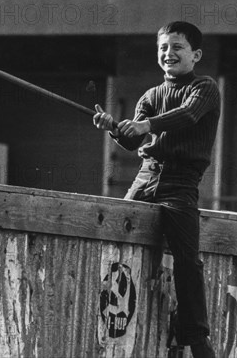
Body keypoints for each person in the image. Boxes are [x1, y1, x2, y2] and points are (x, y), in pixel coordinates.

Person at [93, 21, 219, 358]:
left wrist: (146, 125)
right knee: (112, 238)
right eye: (163, 48)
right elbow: (133, 139)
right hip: (145, 178)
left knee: (187, 259)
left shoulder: (205, 88)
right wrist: (114, 129)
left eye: (177, 47)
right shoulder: (150, 95)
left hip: (180, 184)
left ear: (196, 54)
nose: (168, 54)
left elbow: (189, 115)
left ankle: (196, 337)